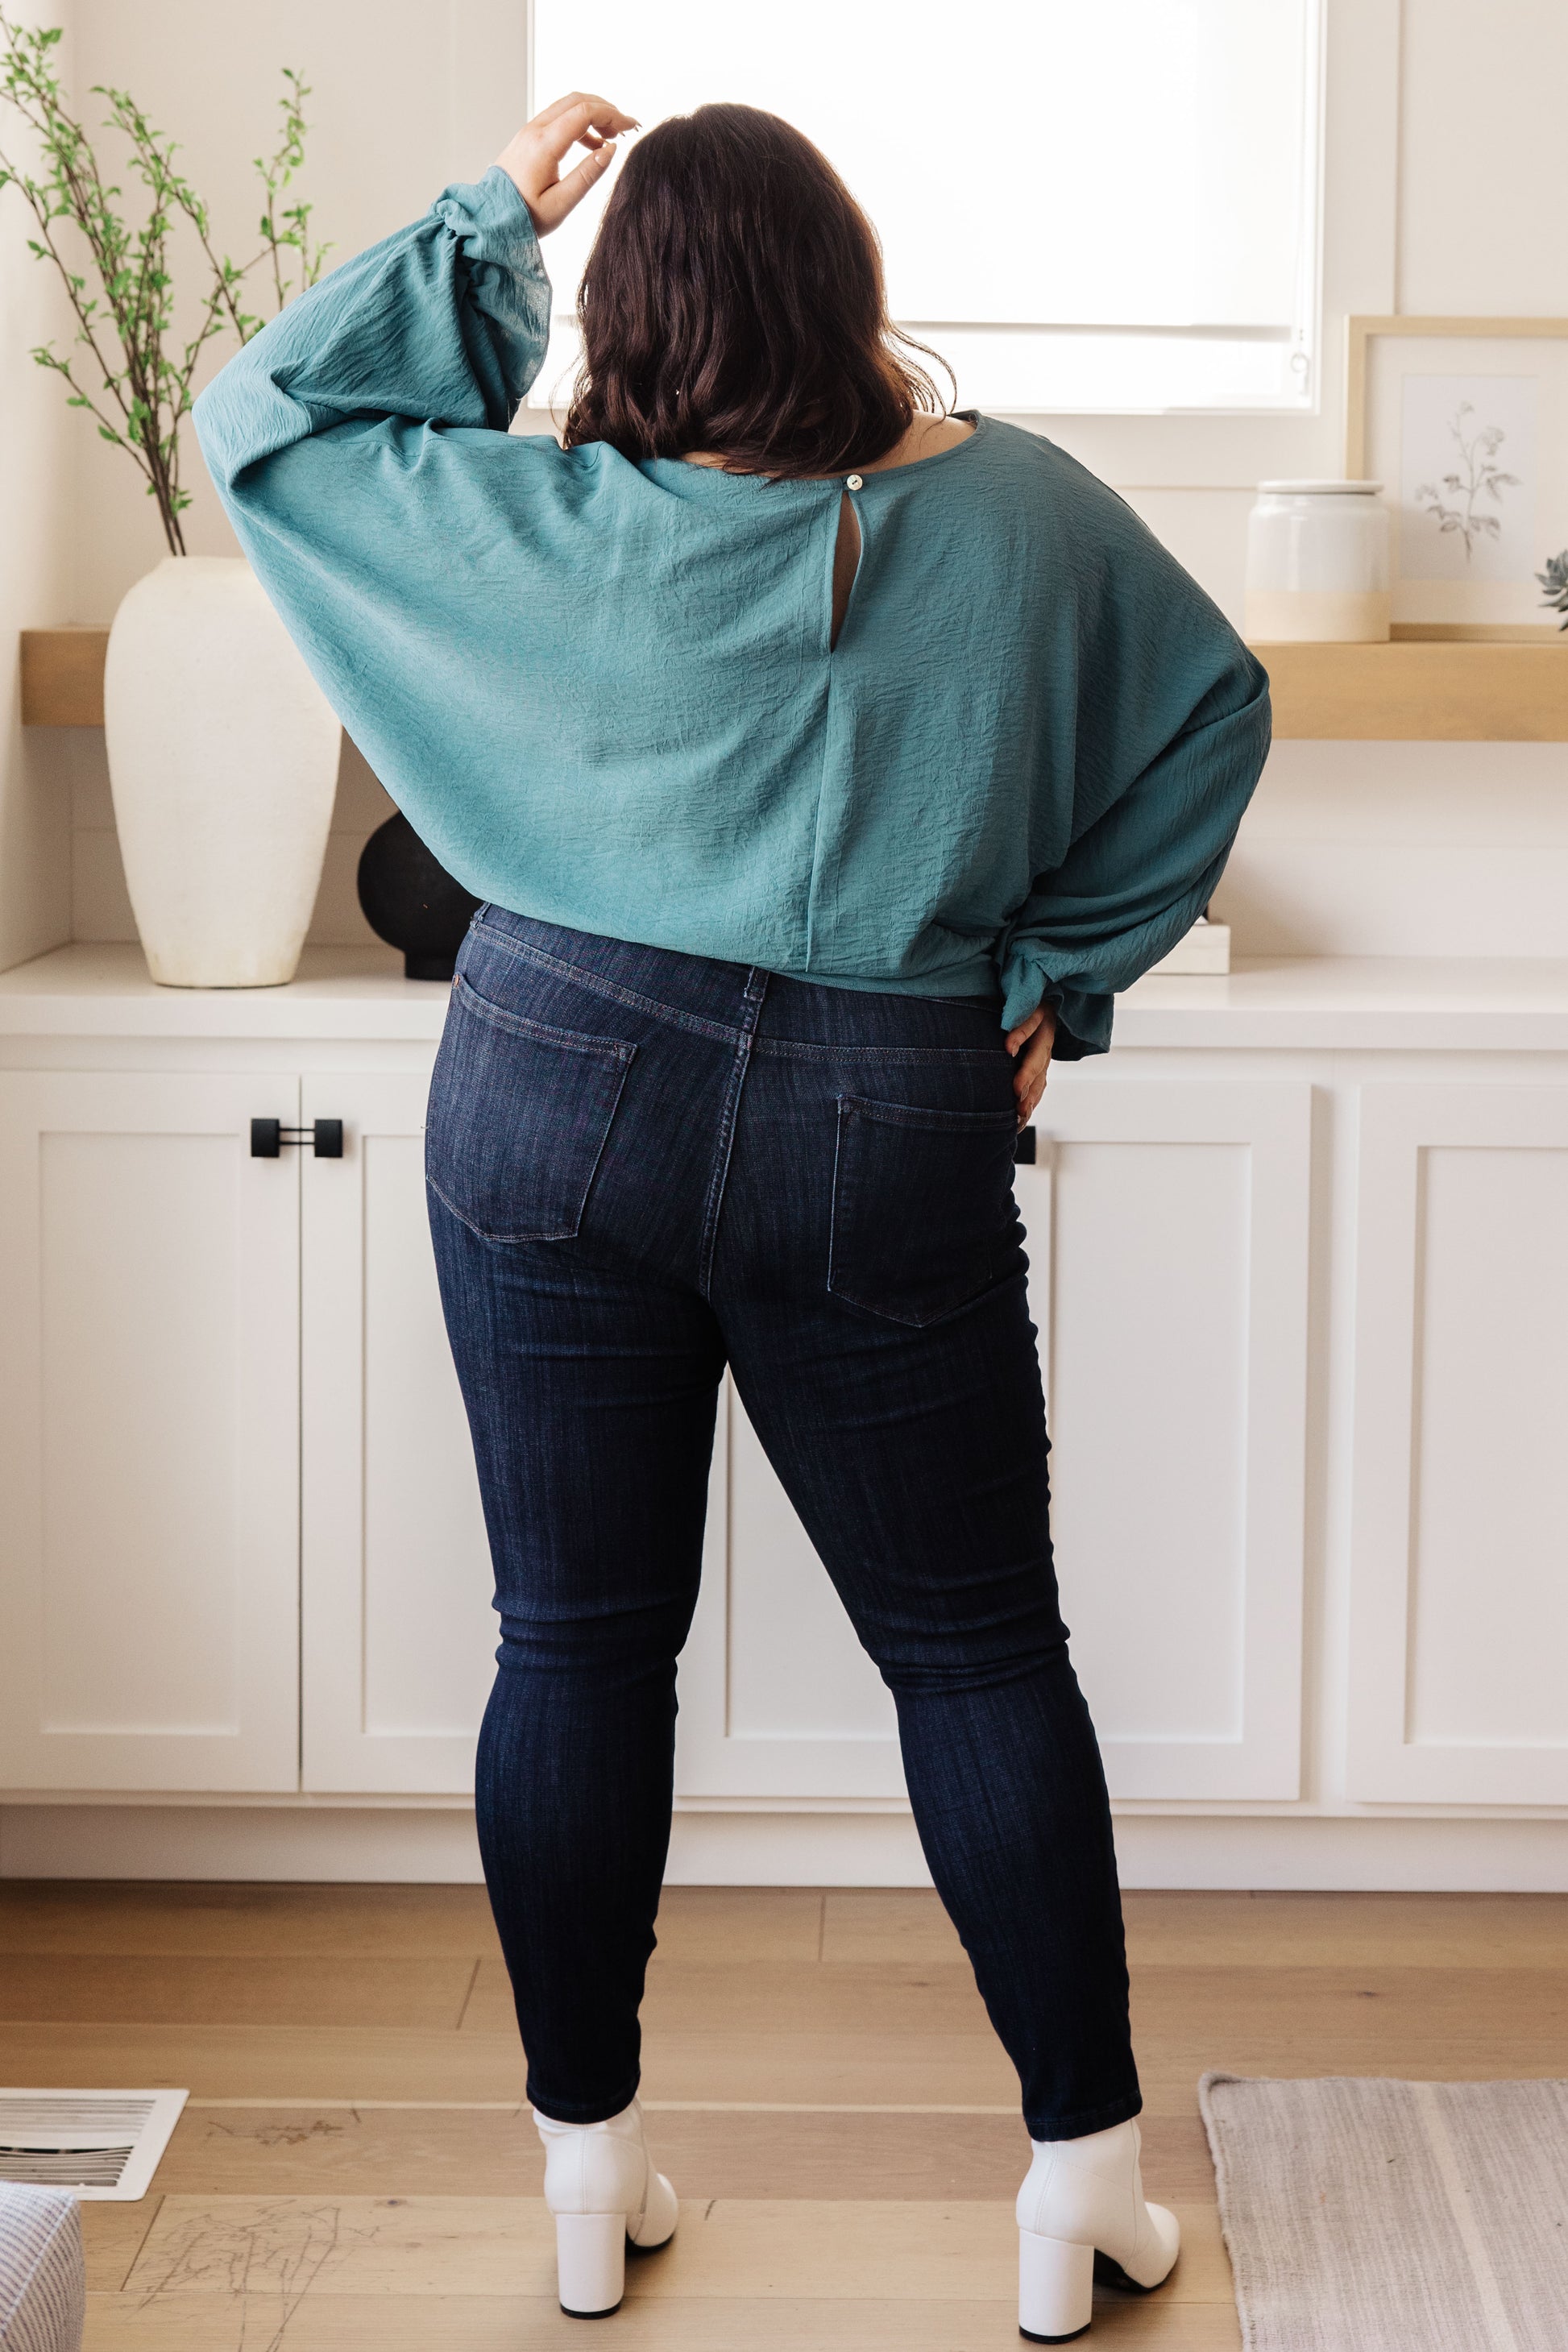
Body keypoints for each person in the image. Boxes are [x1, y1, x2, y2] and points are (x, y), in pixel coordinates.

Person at [195, 91, 1270, 2342]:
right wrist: (1051, 970)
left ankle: (587, 2175)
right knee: (976, 1649)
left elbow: (268, 418)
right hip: (883, 1100)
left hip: (552, 1072)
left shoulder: (540, 525)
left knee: (573, 1643)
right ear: (844, 283)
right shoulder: (1034, 516)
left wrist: (496, 207)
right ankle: (1077, 2180)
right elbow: (1209, 716)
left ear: (637, 312)